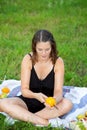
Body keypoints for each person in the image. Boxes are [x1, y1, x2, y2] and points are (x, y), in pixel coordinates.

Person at [0, 29, 73, 126]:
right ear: (34, 47)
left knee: (68, 104)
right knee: (2, 103)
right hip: (27, 101)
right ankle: (44, 122)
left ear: (52, 47)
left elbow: (59, 91)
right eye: (40, 50)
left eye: (47, 49)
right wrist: (36, 96)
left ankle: (26, 117)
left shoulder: (58, 62)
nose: (44, 53)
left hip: (48, 107)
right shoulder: (28, 59)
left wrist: (54, 100)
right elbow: (25, 90)